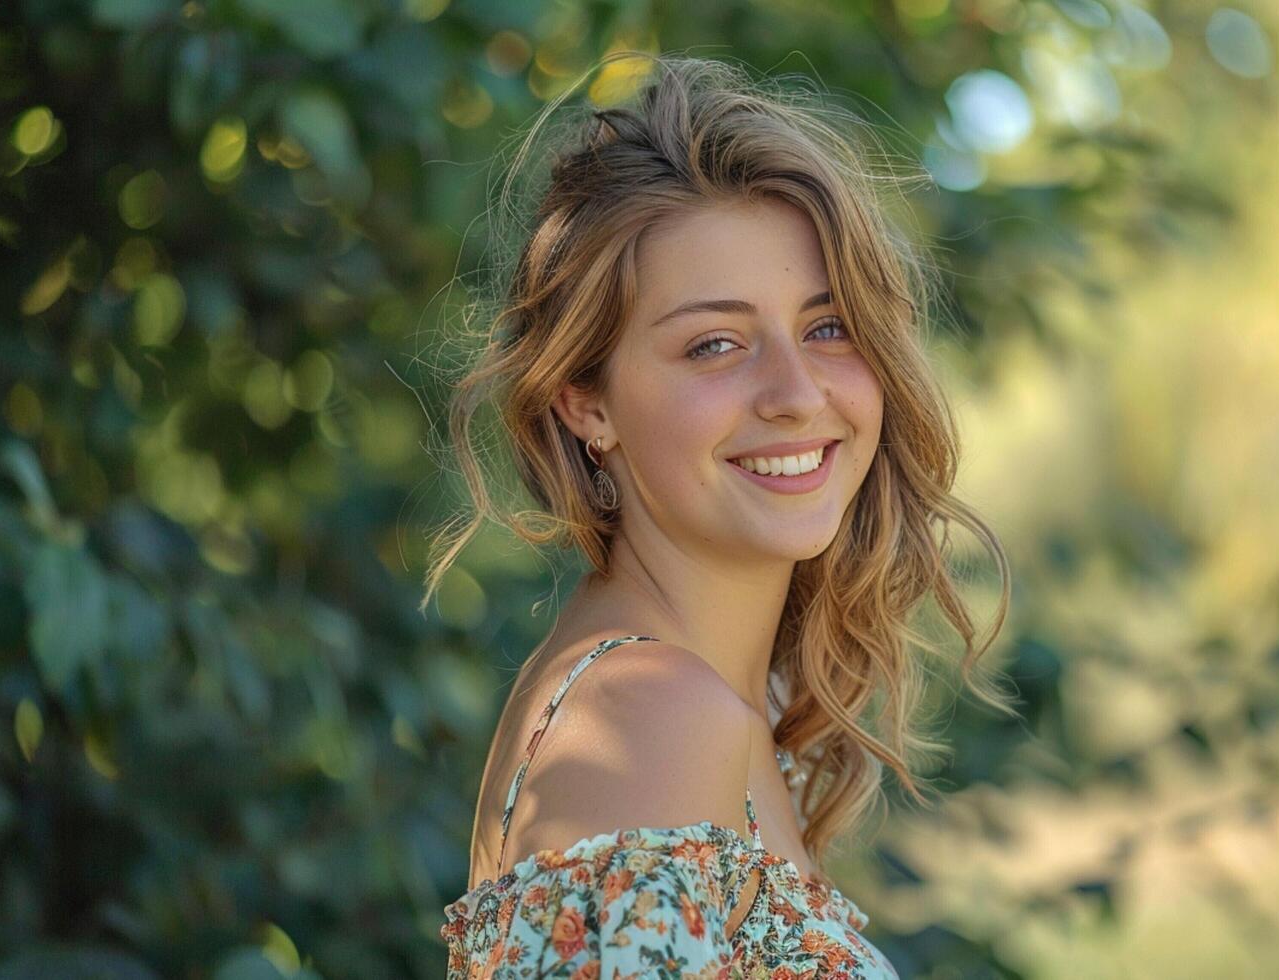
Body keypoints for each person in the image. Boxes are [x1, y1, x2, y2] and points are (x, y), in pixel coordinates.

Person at [425, 51, 1014, 979]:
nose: (794, 392)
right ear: (587, 403)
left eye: (827, 326)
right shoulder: (652, 715)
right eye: (714, 344)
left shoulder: (697, 706)